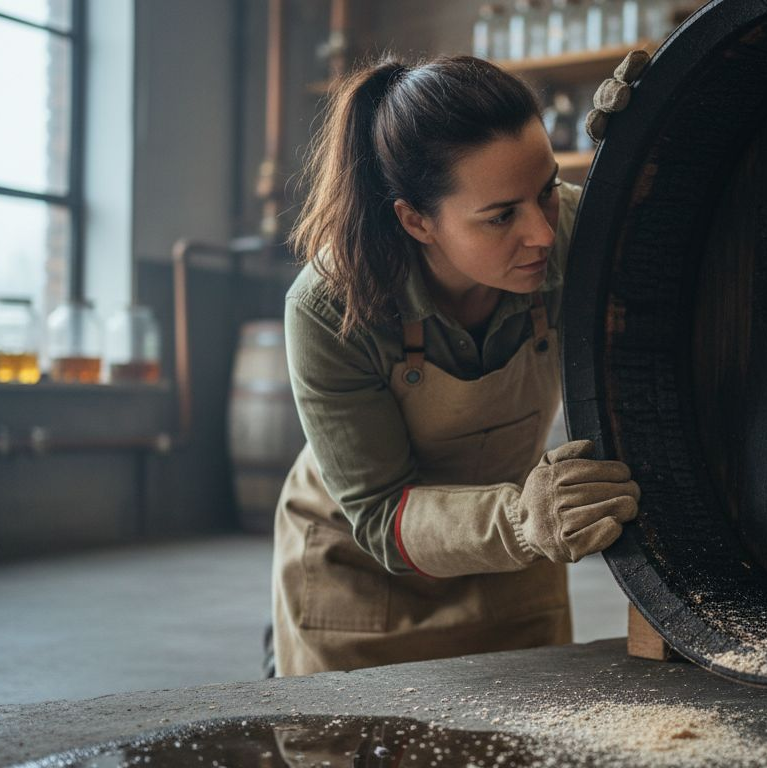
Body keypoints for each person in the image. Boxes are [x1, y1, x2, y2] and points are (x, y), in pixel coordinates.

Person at [271, 54, 642, 676]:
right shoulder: (329, 307)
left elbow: (684, 249)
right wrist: (524, 519)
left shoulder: (578, 229)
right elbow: (383, 515)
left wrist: (651, 146)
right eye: (501, 216)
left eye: (546, 190)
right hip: (363, 583)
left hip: (515, 562)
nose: (543, 234)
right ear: (416, 220)